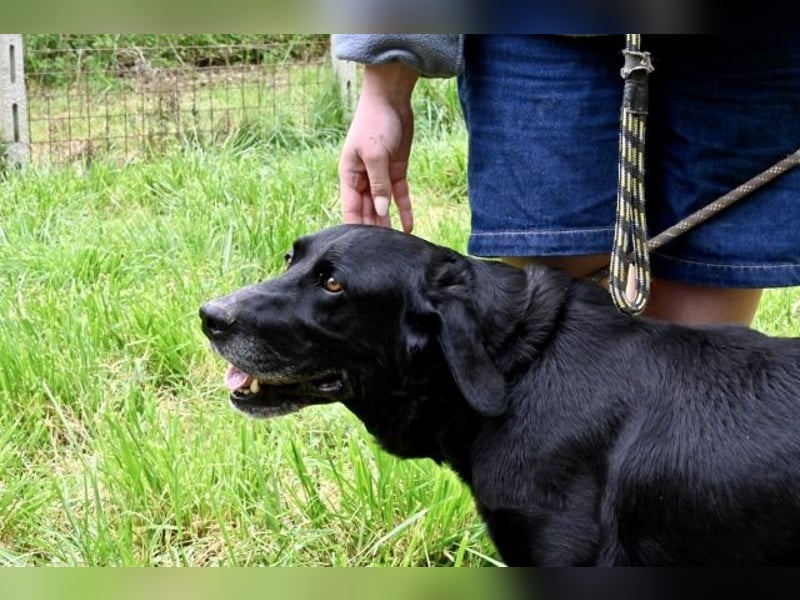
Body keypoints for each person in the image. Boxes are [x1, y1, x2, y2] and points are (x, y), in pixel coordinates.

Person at [333, 34, 800, 326]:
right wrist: (387, 77)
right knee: (560, 348)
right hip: (539, 29)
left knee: (699, 367)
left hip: (751, 36)